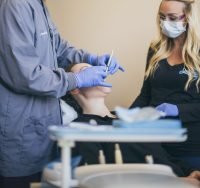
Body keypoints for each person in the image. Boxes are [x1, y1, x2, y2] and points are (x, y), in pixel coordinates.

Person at [0, 0, 123, 188]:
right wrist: (76, 78)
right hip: (19, 137)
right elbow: (26, 75)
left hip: (42, 133)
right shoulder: (14, 4)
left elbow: (59, 47)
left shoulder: (39, 3)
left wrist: (89, 57)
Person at [65, 62, 200, 181]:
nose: (97, 71)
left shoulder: (129, 119)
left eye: (95, 67)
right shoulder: (82, 128)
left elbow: (161, 153)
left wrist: (190, 171)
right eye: (86, 71)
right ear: (75, 88)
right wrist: (180, 182)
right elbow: (95, 178)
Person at [130, 0, 200, 171]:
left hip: (190, 144)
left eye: (172, 17)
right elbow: (145, 94)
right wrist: (127, 117)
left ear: (188, 17)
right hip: (155, 141)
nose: (165, 22)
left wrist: (177, 109)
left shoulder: (198, 54)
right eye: (162, 17)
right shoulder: (156, 49)